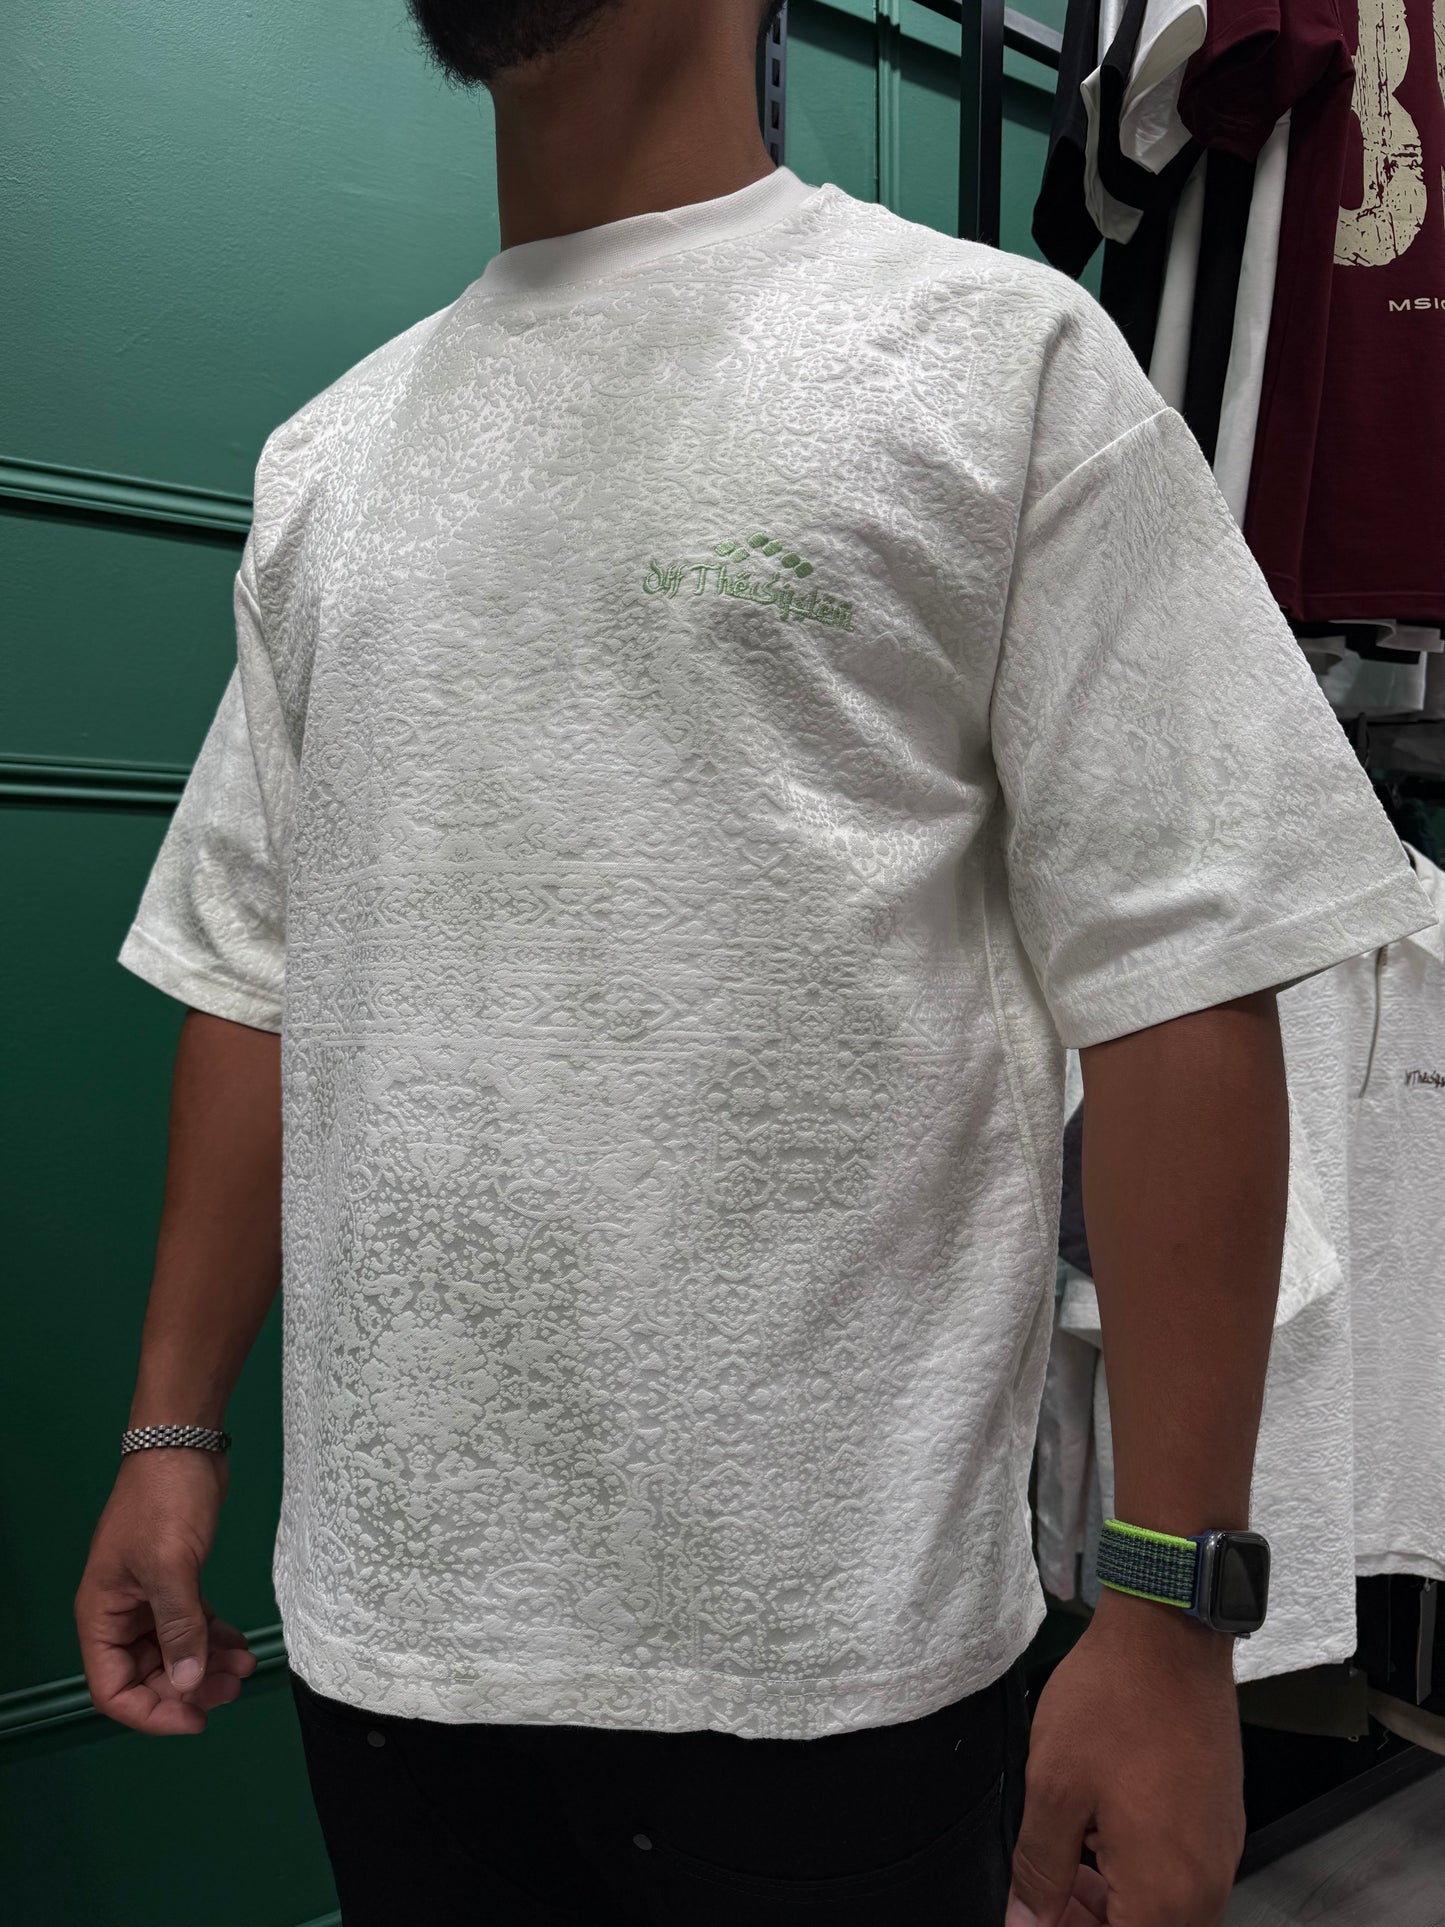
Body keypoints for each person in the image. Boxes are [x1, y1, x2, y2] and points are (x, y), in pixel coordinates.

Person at [73, 2, 1438, 1923]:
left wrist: (1165, 1614)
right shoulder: (333, 459)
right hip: (390, 1641)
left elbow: (1183, 982)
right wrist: (172, 1430)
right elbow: (255, 974)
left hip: (830, 1672)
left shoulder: (1001, 363)